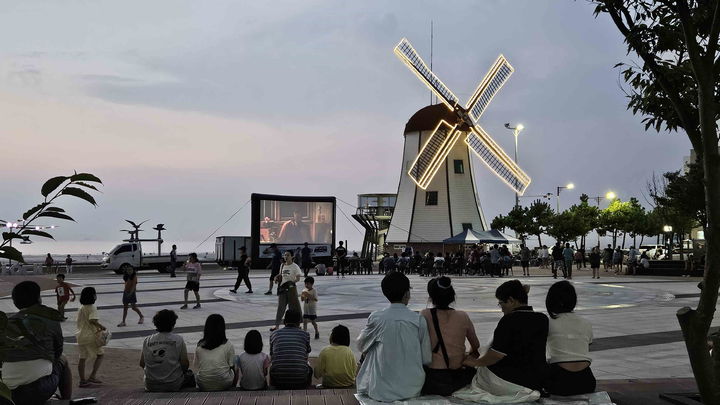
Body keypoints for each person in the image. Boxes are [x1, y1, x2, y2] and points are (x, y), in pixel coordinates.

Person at [356, 272, 432, 402]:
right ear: (406, 293)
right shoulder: (418, 320)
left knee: (373, 346)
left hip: (380, 390)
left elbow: (361, 345)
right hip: (412, 389)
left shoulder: (377, 318)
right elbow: (426, 359)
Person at [463, 280, 549, 392]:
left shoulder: (508, 321)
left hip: (513, 381)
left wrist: (475, 363)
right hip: (536, 381)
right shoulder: (542, 319)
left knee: (477, 373)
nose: (501, 308)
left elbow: (496, 355)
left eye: (501, 303)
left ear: (511, 301)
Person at [1, 281, 72, 404]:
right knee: (63, 360)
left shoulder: (7, 324)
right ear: (39, 299)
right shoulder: (51, 319)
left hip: (7, 393)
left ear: (15, 302)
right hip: (39, 390)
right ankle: (66, 401)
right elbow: (58, 351)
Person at [420, 277, 480, 396]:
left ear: (431, 297)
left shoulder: (425, 314)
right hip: (457, 376)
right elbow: (476, 345)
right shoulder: (463, 316)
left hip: (434, 376)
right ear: (452, 296)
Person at [544, 281, 596, 395]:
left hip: (559, 380)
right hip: (587, 380)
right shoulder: (585, 323)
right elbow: (587, 344)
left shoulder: (547, 322)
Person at [140, 309, 195, 392]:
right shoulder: (178, 339)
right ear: (173, 324)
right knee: (190, 375)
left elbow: (142, 363)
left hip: (151, 385)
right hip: (173, 384)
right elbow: (185, 364)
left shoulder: (147, 340)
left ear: (156, 324)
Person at [269, 309, 312, 389]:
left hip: (279, 378)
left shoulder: (274, 334)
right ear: (299, 322)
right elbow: (306, 355)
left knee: (272, 365)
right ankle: (307, 388)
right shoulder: (305, 334)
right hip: (300, 379)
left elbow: (272, 356)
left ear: (285, 320)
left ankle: (272, 388)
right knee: (308, 365)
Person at [194, 314, 238, 391]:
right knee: (236, 362)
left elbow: (197, 366)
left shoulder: (200, 345)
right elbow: (232, 366)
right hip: (224, 383)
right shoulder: (228, 344)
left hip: (203, 383)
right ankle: (233, 388)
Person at [76, 287, 106, 387]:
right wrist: (101, 326)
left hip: (80, 336)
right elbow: (92, 320)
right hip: (90, 336)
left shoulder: (81, 308)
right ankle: (92, 376)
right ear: (93, 296)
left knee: (82, 358)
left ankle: (82, 381)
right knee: (100, 355)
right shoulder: (92, 307)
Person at [271, 251, 303, 332]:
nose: (286, 256)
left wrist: (292, 283)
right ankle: (277, 325)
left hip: (291, 289)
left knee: (293, 308)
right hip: (282, 288)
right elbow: (280, 275)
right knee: (280, 307)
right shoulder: (282, 265)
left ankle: (296, 324)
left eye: (288, 255)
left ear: (292, 256)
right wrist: (276, 278)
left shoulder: (295, 266)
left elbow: (298, 278)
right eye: (285, 255)